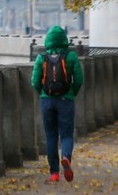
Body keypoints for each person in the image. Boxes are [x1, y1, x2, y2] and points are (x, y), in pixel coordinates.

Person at [30, 26, 84, 183]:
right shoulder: (71, 56)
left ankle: (54, 173)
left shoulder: (42, 58)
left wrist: (43, 93)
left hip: (47, 101)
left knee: (51, 136)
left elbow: (34, 82)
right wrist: (71, 92)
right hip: (66, 100)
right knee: (66, 134)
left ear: (48, 40)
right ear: (64, 40)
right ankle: (66, 158)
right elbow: (79, 80)